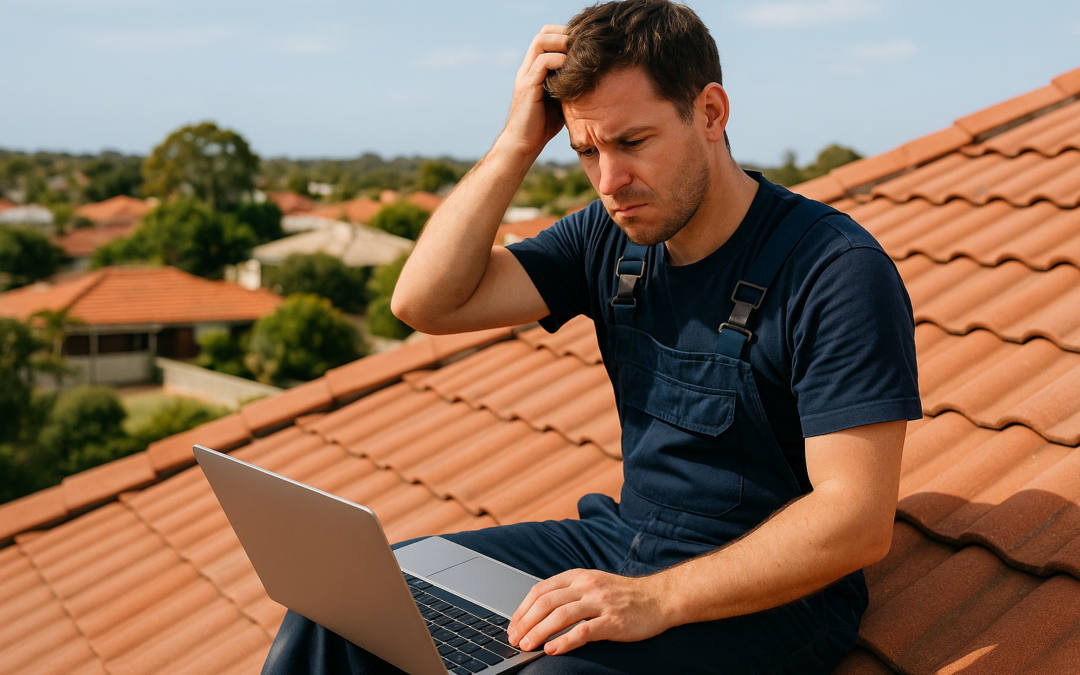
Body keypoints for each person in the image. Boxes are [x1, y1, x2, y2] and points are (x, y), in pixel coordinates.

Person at [263, 1, 921, 673]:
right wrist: (518, 141)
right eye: (587, 151)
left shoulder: (835, 270)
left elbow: (857, 517)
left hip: (771, 594)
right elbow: (423, 301)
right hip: (622, 541)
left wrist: (658, 598)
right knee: (352, 605)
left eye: (632, 142)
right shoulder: (608, 237)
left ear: (712, 113)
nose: (610, 182)